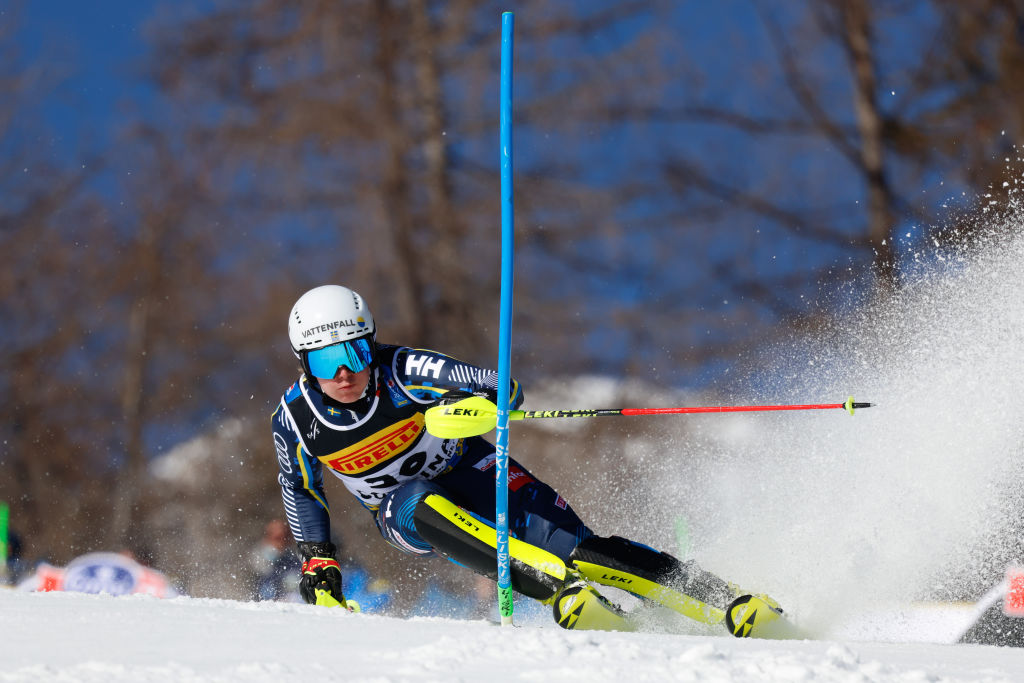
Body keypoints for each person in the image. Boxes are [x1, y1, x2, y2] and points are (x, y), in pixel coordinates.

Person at [271, 284, 786, 636]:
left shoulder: (405, 368)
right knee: (415, 500)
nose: (344, 374)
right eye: (324, 361)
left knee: (585, 551)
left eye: (355, 353)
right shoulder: (295, 418)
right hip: (403, 513)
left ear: (371, 343)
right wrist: (319, 559)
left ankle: (726, 603)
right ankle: (559, 588)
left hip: (473, 471)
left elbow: (503, 389)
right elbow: (301, 488)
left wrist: (469, 411)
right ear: (304, 364)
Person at [249, 519, 301, 601]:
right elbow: (259, 574)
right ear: (267, 537)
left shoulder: (295, 559)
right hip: (263, 603)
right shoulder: (259, 556)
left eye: (285, 537)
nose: (281, 541)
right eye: (277, 538)